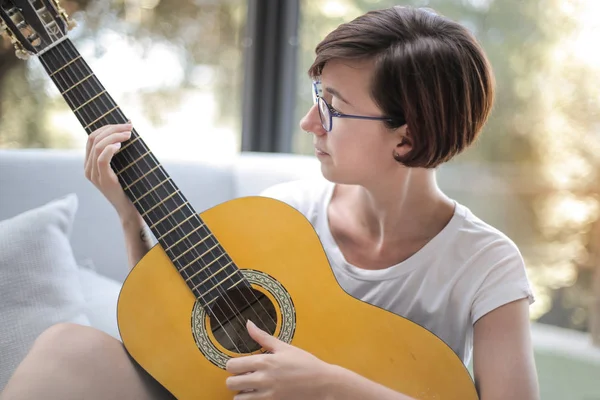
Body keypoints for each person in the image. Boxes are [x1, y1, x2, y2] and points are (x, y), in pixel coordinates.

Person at [0, 5, 540, 400]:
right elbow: (173, 331)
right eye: (314, 97)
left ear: (406, 136)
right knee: (67, 349)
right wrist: (129, 215)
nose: (309, 123)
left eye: (333, 107)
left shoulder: (485, 263)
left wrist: (331, 386)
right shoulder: (283, 214)